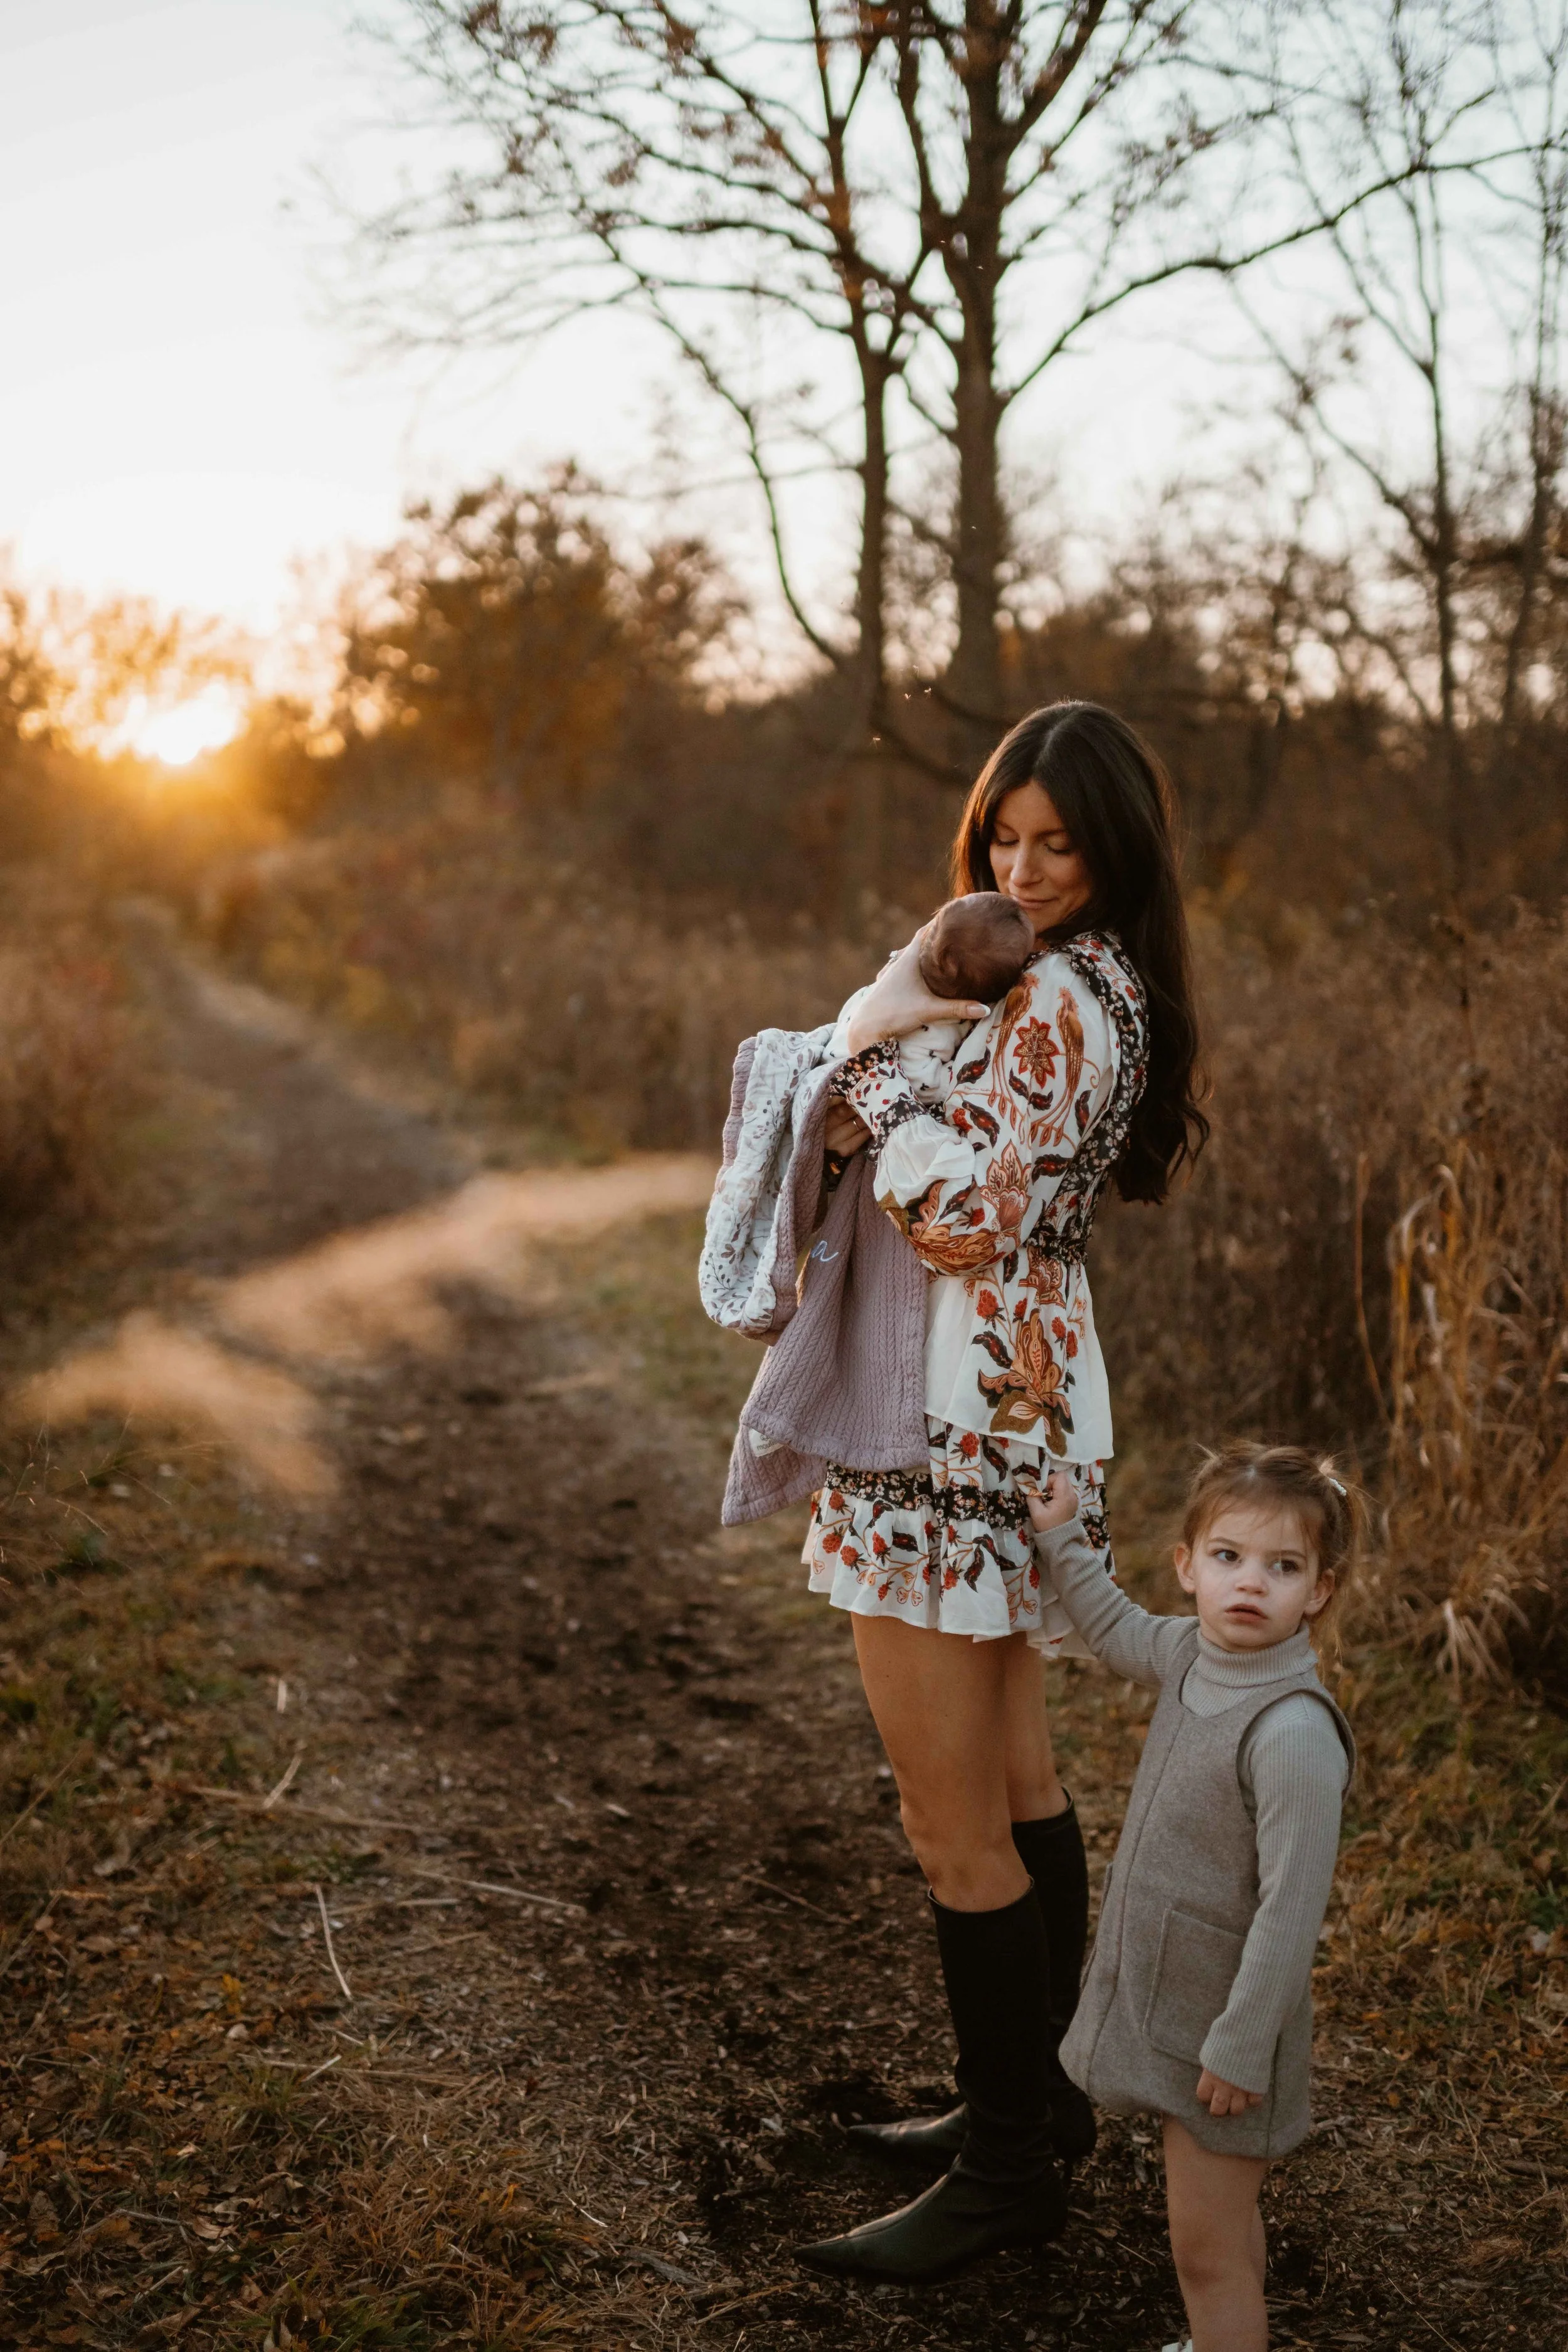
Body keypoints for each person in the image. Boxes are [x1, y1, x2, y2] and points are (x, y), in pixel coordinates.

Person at [794, 701, 1207, 2286]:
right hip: (1017, 1405)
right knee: (1018, 1765)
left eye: (1056, 842)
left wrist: (869, 1078)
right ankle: (1026, 2099)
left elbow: (965, 1211)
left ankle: (1010, 2170)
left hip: (953, 1425)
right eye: (1001, 840)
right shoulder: (1098, 985)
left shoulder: (1058, 998)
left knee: (946, 1806)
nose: (1023, 869)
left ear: (1113, 850)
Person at [1028, 1444, 1359, 2352]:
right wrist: (1062, 1538)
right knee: (1230, 2229)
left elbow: (1294, 1911)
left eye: (1282, 1567)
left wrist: (1245, 2043)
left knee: (1205, 2252)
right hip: (1187, 2000)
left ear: (1320, 1589)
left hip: (1230, 2029)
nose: (1250, 1583)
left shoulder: (1292, 1732)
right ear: (1188, 1565)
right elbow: (1113, 1625)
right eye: (1228, 1557)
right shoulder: (1190, 1654)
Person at [828, 890, 1037, 1105]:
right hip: (841, 1084)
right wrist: (955, 1082)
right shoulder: (937, 1031)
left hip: (836, 1051)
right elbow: (923, 1085)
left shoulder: (896, 978)